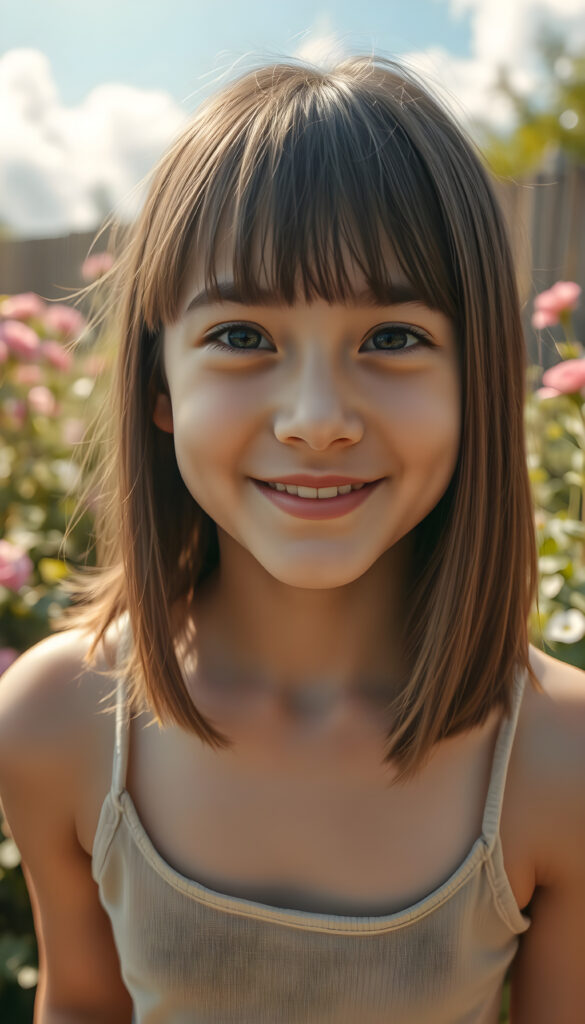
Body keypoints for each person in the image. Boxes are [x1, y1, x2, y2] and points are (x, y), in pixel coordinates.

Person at [0, 54, 584, 1024]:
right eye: (241, 335)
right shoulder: (58, 720)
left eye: (392, 336)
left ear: (478, 381)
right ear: (157, 385)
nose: (317, 418)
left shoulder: (560, 756)